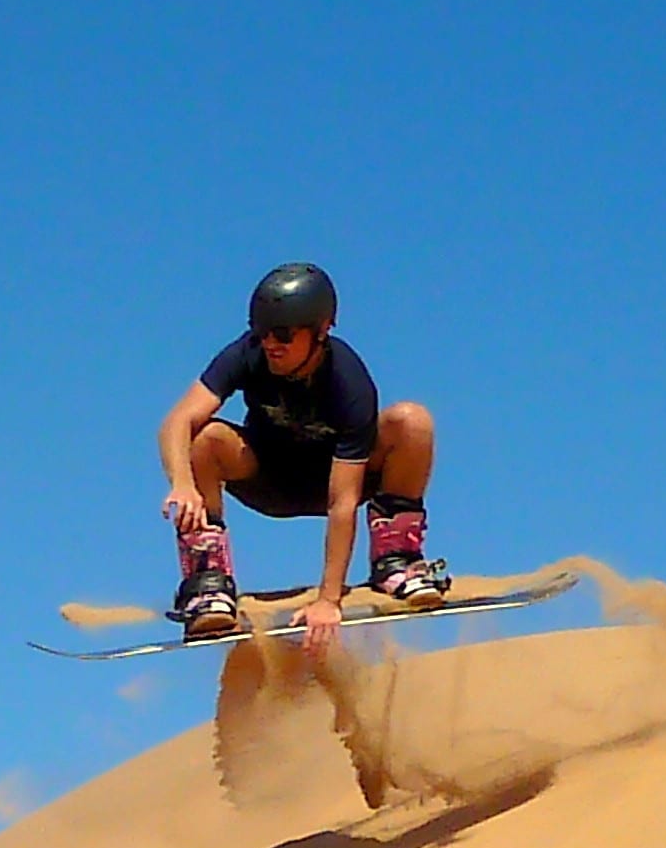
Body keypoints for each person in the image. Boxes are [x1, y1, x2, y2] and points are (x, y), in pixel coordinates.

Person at [158, 262, 449, 652]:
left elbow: (342, 503)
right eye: (261, 332)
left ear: (322, 330)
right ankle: (207, 581)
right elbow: (177, 420)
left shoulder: (349, 382)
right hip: (269, 479)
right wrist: (182, 482)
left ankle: (396, 560)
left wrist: (328, 601)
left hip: (336, 481)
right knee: (205, 437)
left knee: (413, 421)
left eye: (282, 334)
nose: (270, 344)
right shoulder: (246, 353)